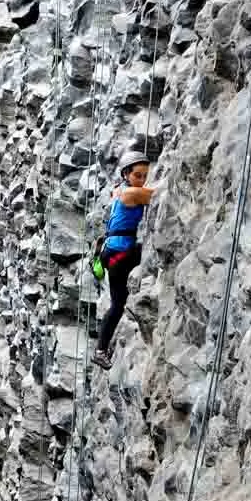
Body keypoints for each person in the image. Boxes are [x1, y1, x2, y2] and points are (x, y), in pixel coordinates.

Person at [92, 149, 160, 369]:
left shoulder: (119, 191)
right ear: (126, 175)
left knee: (117, 304)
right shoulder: (131, 193)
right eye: (137, 175)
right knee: (118, 304)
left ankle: (101, 349)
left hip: (112, 252)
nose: (142, 180)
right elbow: (157, 195)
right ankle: (100, 350)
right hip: (121, 254)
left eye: (144, 175)